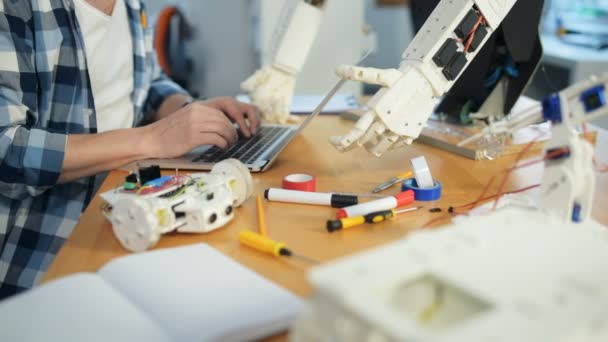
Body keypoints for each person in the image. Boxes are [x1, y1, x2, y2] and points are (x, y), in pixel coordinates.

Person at [0, 0, 260, 299]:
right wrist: (150, 139)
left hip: (128, 211)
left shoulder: (132, 5)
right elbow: (7, 150)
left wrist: (193, 114)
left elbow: (148, 85)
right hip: (44, 252)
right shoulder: (15, 8)